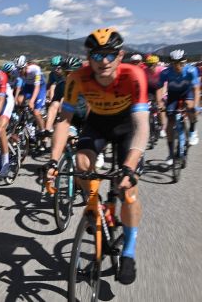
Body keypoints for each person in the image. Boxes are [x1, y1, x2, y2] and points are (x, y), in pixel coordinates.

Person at [45, 28, 148, 285]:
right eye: (98, 55)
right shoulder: (77, 78)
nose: (104, 60)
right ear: (89, 57)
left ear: (120, 55)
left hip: (128, 127)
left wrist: (129, 167)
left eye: (110, 54)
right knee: (81, 164)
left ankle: (129, 252)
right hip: (98, 124)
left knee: (128, 191)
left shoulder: (133, 75)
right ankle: (93, 206)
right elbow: (63, 120)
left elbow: (142, 126)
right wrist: (53, 161)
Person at [157, 49, 200, 158]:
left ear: (185, 62)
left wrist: (195, 106)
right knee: (170, 122)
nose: (178, 66)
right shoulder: (165, 72)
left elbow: (196, 89)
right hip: (173, 95)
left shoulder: (191, 70)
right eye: (175, 63)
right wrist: (160, 103)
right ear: (171, 63)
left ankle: (192, 132)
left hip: (187, 92)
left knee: (190, 107)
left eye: (181, 63)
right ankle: (171, 153)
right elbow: (159, 88)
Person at [14, 55, 47, 150]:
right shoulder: (16, 72)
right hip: (28, 86)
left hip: (40, 87)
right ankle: (24, 123)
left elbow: (37, 88)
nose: (20, 72)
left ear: (26, 66)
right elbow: (17, 86)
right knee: (19, 102)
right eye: (18, 69)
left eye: (21, 69)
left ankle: (42, 131)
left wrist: (32, 101)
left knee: (36, 112)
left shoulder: (35, 69)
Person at [144, 54, 167, 138]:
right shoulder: (144, 70)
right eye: (148, 65)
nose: (149, 67)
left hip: (160, 86)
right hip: (149, 87)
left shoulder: (161, 71)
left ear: (156, 64)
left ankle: (163, 127)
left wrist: (164, 93)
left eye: (152, 65)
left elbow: (165, 84)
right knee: (145, 103)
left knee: (159, 103)